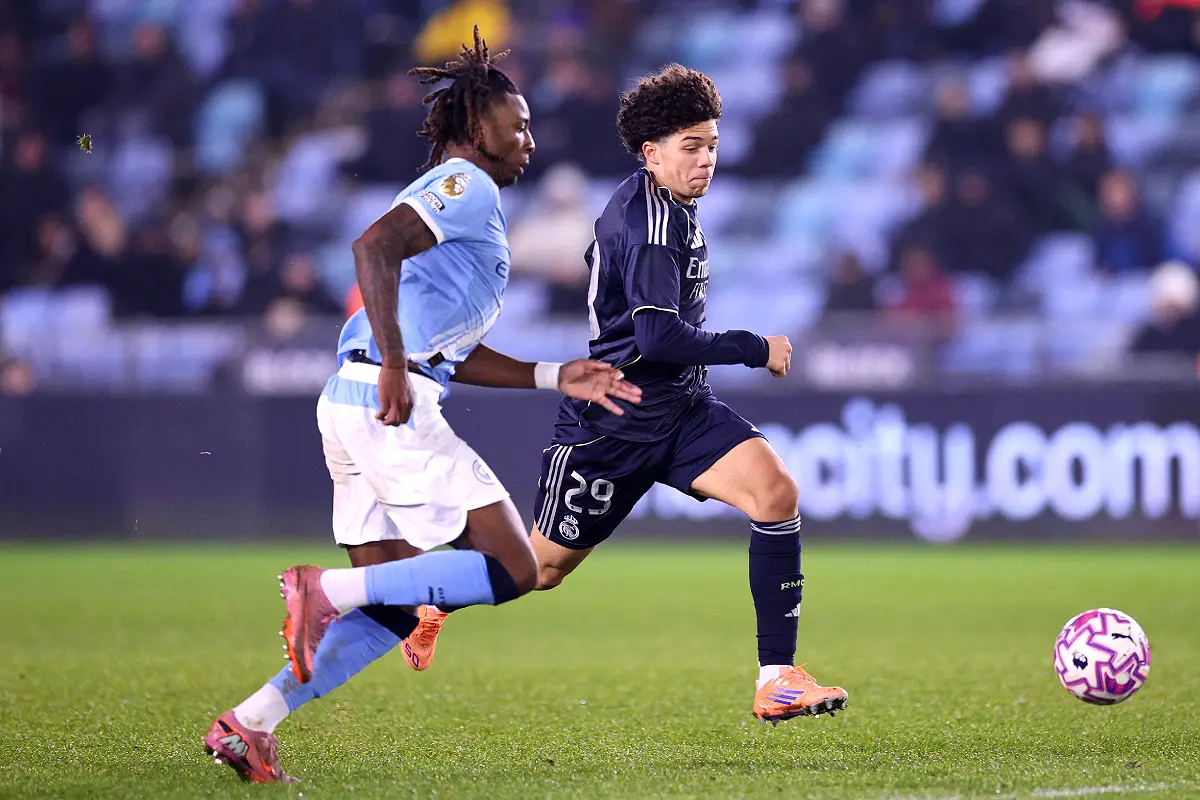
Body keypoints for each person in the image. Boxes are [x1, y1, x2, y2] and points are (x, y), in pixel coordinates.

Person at [203, 28, 641, 784]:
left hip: (356, 398)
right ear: (478, 130)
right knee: (514, 566)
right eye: (519, 123)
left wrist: (550, 375)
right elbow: (371, 247)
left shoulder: (473, 211)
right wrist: (398, 366)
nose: (529, 138)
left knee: (395, 610)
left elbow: (453, 348)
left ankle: (249, 724)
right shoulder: (464, 184)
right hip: (386, 397)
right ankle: (322, 589)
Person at [405, 64, 849, 726]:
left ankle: (776, 677)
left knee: (775, 493)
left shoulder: (667, 204)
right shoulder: (645, 224)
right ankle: (425, 595)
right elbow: (659, 335)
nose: (705, 161)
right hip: (611, 426)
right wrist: (755, 348)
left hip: (680, 409)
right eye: (691, 147)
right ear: (652, 152)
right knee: (540, 569)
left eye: (711, 145)